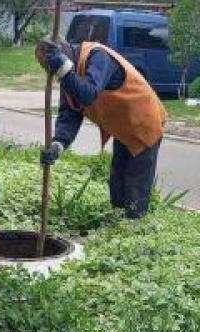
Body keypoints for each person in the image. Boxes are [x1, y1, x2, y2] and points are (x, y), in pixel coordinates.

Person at [35, 39, 167, 219]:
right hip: (123, 127)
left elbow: (88, 93)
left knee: (136, 183)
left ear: (64, 53)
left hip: (144, 122)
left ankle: (135, 229)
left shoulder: (97, 56)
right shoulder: (70, 75)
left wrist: (64, 71)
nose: (54, 74)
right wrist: (58, 144)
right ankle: (119, 224)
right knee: (117, 181)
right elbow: (70, 112)